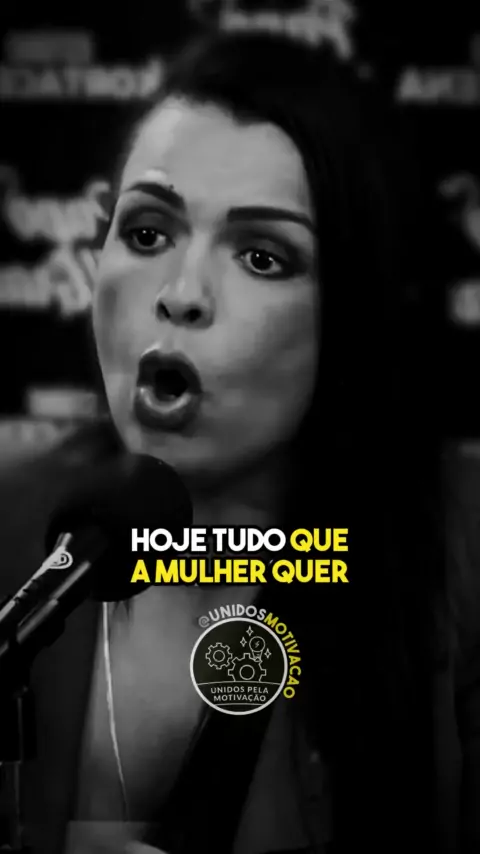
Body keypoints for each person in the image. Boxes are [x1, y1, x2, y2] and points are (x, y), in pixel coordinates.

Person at [0, 27, 478, 854]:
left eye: (261, 256)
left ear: (353, 315)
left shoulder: (458, 555)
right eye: (147, 234)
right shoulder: (11, 525)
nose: (182, 294)